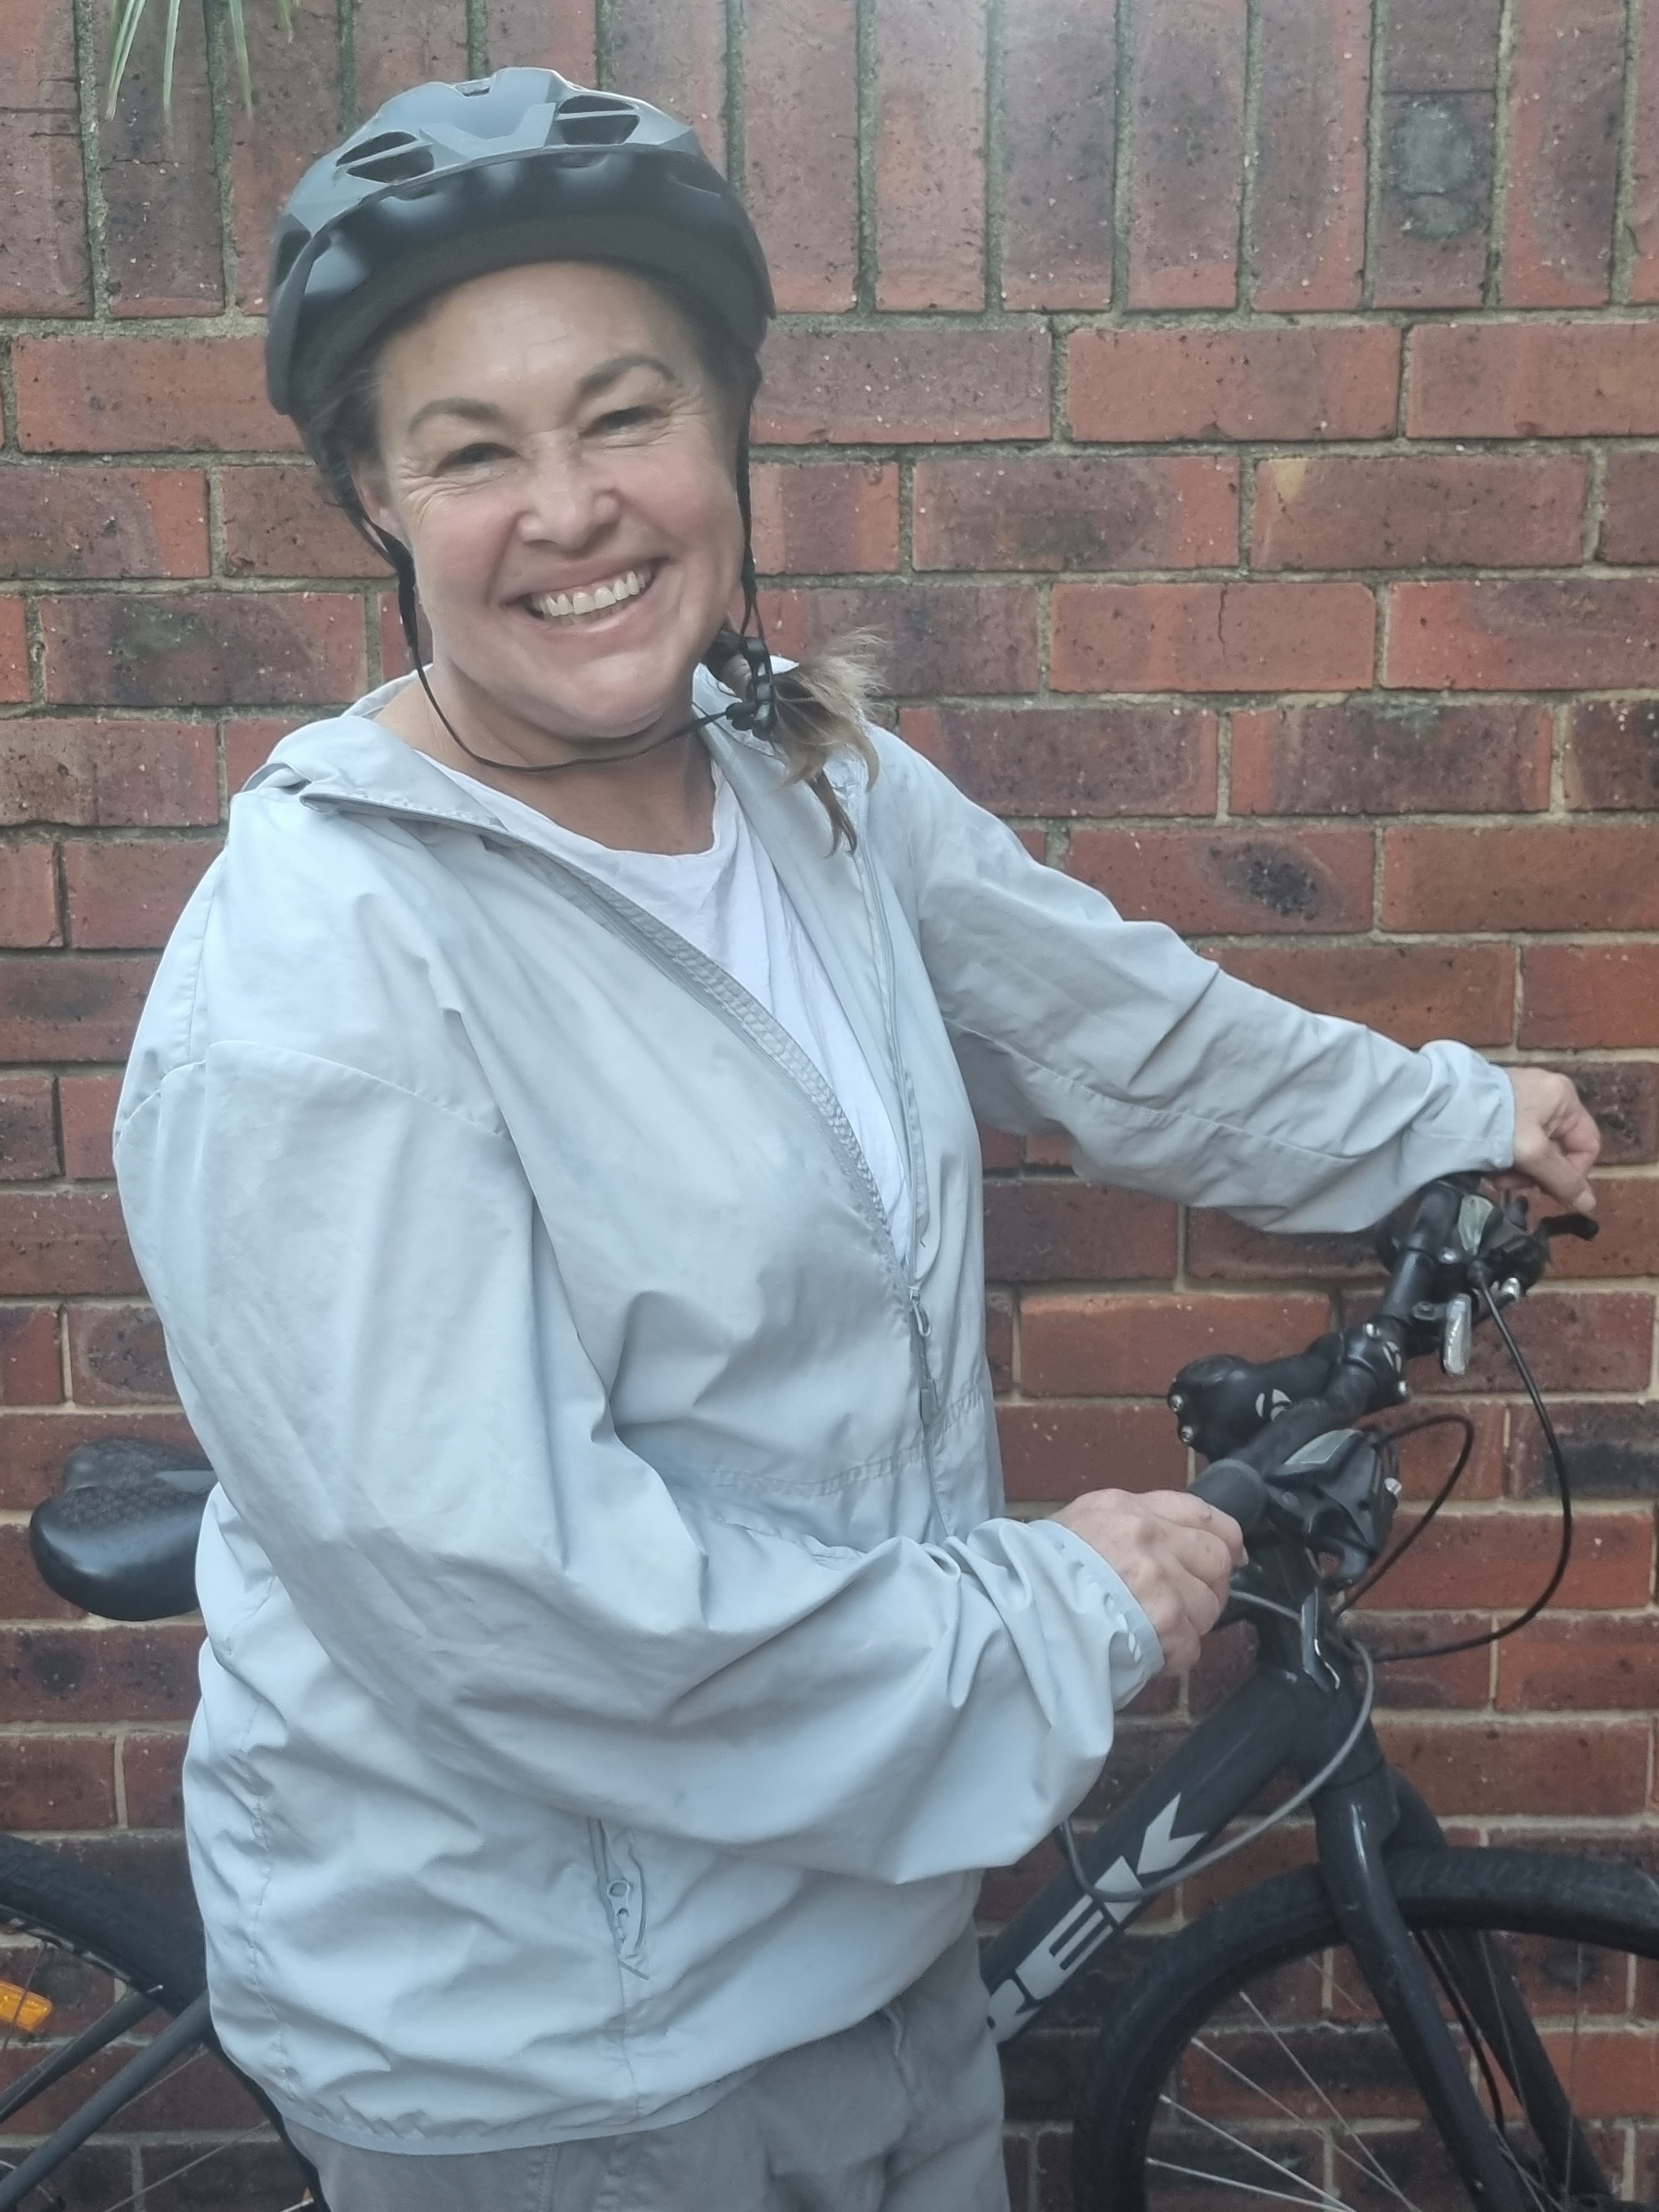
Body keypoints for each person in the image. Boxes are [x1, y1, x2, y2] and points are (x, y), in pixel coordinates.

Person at [113, 67, 1600, 2212]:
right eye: (471, 449)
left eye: (623, 413)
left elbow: (1103, 1013)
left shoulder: (795, 775)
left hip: (868, 1922)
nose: (570, 505)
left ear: (728, 426)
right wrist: (1053, 1616)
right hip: (558, 2054)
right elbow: (526, 1594)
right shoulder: (318, 990)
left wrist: (1438, 1119)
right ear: (375, 497)